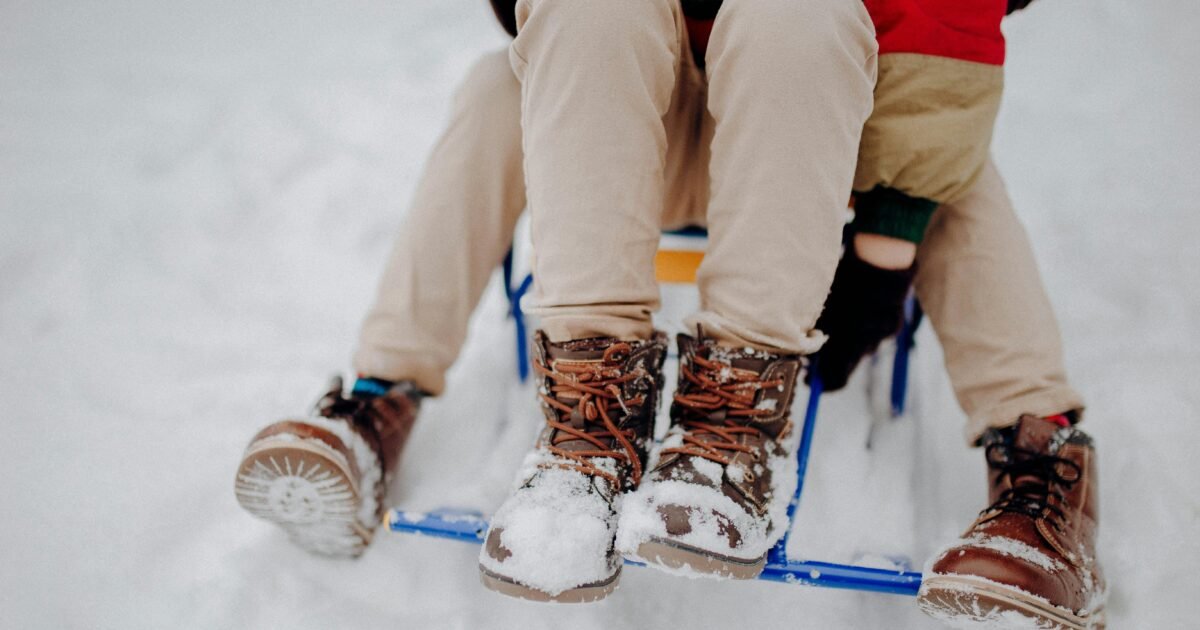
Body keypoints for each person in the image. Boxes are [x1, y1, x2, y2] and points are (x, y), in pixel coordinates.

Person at [233, 1, 1104, 625]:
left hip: (818, 112)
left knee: (919, 131)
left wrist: (889, 237)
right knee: (520, 67)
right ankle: (411, 403)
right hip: (633, 103)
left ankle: (1037, 463)